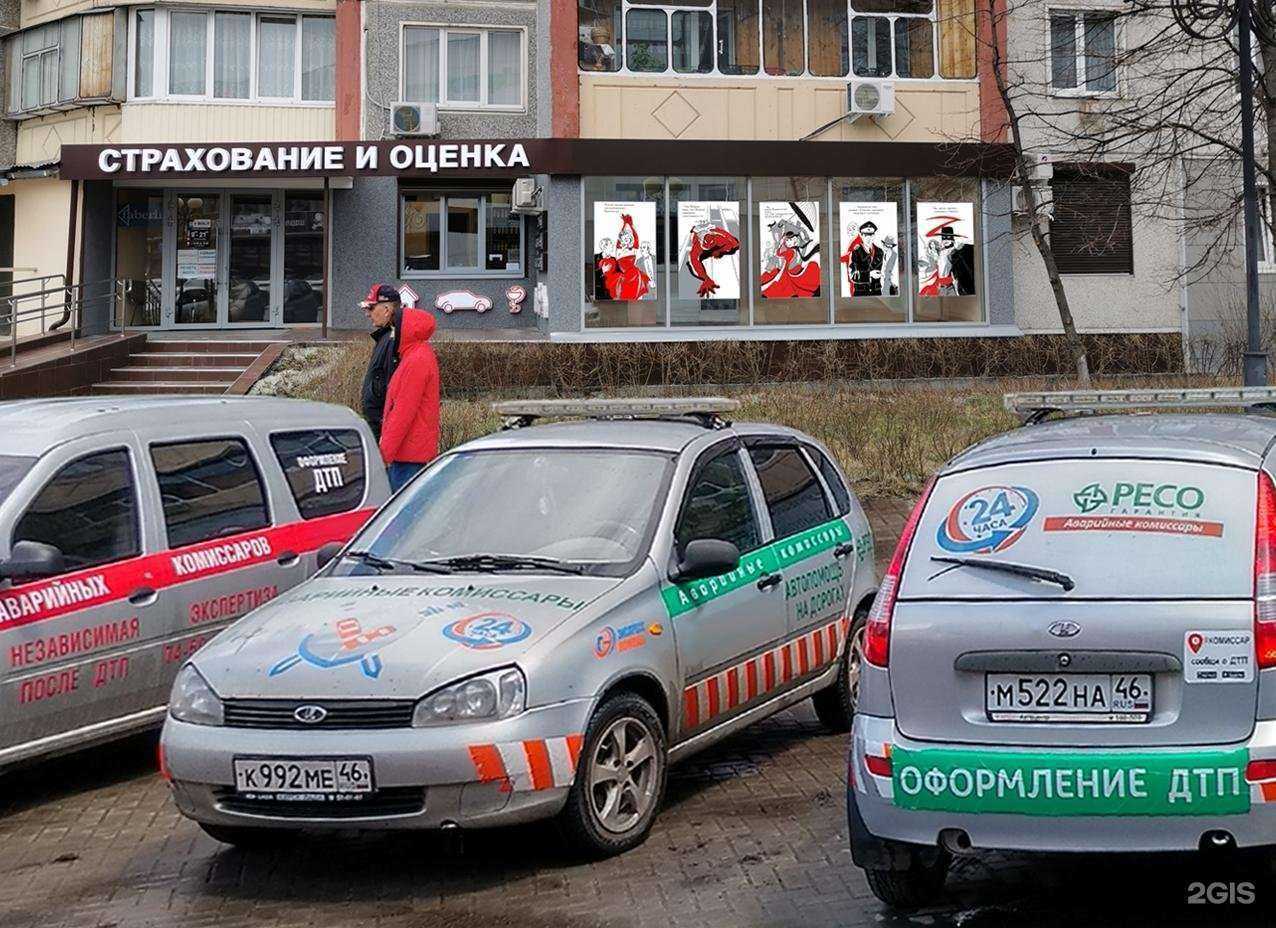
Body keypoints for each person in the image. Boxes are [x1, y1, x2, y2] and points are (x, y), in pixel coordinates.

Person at [379, 304, 440, 491]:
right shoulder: (416, 355)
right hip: (411, 453)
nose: (391, 334)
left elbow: (402, 412)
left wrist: (383, 455)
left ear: (405, 330)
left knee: (399, 514)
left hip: (408, 457)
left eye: (394, 328)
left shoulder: (416, 361)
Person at [359, 284, 401, 439]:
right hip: (378, 429)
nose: (367, 314)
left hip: (383, 432)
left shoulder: (393, 341)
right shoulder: (385, 337)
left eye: (371, 308)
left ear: (386, 310)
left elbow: (391, 389)